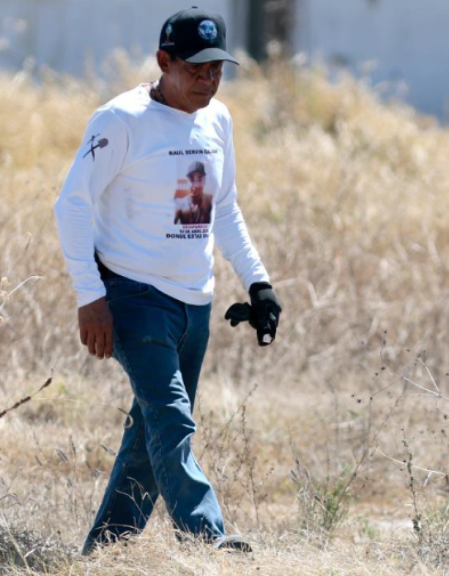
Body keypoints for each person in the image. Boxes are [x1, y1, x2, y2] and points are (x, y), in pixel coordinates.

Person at [53, 6, 282, 555]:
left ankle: (105, 553)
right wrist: (91, 297)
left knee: (149, 435)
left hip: (194, 305)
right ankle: (209, 539)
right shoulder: (120, 121)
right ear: (164, 60)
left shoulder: (217, 121)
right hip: (133, 297)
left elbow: (221, 209)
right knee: (172, 422)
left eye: (216, 69)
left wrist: (258, 283)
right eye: (195, 68)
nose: (207, 80)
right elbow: (71, 205)